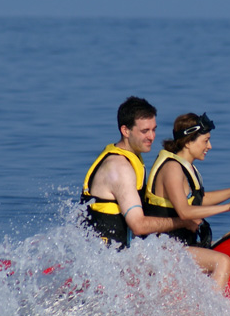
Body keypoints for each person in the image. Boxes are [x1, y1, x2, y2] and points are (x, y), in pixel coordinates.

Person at [144, 112, 230, 292]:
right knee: (222, 261)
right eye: (206, 141)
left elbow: (200, 200)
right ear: (188, 142)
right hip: (163, 250)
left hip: (180, 245)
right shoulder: (172, 169)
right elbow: (185, 212)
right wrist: (229, 207)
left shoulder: (188, 168)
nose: (210, 146)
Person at [81, 96, 198, 248]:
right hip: (107, 258)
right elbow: (139, 226)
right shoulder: (119, 168)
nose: (152, 136)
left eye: (154, 129)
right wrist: (183, 222)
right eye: (145, 131)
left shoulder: (131, 155)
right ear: (125, 131)